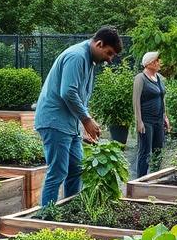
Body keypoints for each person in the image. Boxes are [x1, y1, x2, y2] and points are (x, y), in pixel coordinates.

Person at [35, 26, 123, 206]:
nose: (109, 59)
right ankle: (46, 217)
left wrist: (83, 125)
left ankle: (69, 210)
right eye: (109, 53)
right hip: (54, 122)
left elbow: (80, 97)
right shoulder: (76, 56)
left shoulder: (88, 61)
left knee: (76, 168)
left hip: (69, 125)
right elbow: (68, 92)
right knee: (58, 172)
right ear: (99, 44)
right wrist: (86, 119)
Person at [132, 51, 170, 179]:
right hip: (146, 120)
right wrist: (139, 121)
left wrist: (165, 116)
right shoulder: (140, 78)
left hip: (158, 120)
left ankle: (155, 178)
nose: (159, 63)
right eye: (157, 61)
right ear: (150, 63)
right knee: (145, 151)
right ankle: (140, 180)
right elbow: (135, 101)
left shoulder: (159, 78)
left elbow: (162, 97)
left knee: (158, 150)